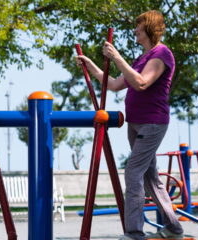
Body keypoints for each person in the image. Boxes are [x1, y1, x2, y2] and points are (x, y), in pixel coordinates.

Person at [76, 10, 184, 240]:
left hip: (151, 123)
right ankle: (174, 229)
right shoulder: (142, 58)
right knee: (149, 177)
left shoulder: (162, 53)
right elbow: (114, 84)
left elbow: (142, 82)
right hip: (135, 123)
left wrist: (116, 57)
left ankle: (134, 232)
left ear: (149, 29)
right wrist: (90, 65)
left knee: (133, 172)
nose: (134, 30)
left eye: (138, 26)